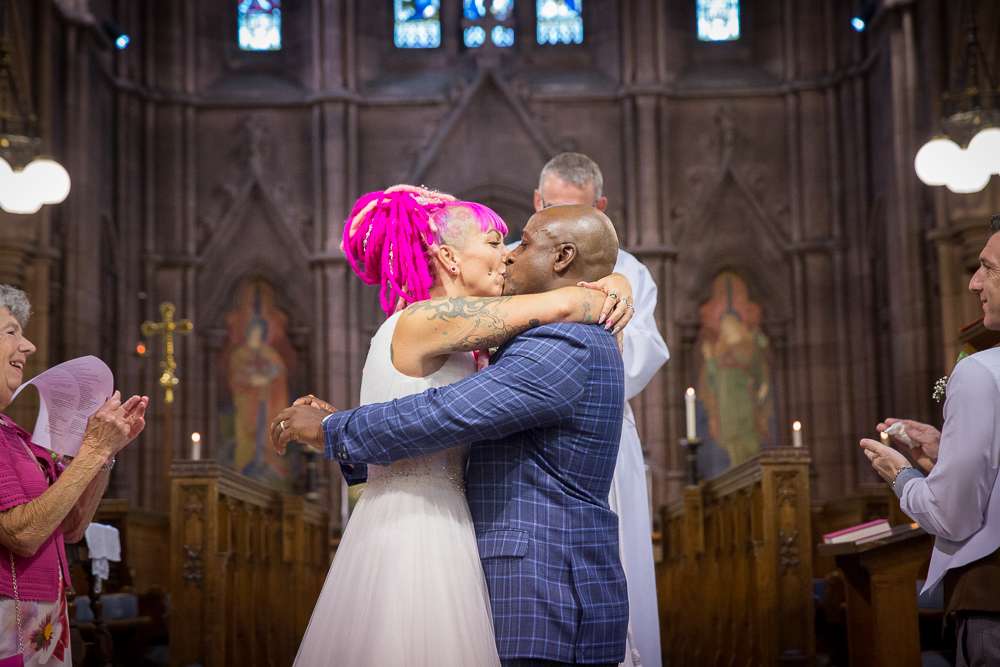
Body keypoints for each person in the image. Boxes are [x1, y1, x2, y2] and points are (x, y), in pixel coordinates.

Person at [275, 187, 634, 666]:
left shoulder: (563, 342)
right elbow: (443, 422)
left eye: (520, 244)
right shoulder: (440, 323)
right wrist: (593, 292)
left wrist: (334, 428)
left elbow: (446, 415)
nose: (509, 255)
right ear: (448, 257)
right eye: (497, 242)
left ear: (563, 257)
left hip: (540, 583)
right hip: (435, 544)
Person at [533, 152, 669, 666]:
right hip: (528, 436)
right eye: (554, 210)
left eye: (581, 213)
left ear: (603, 208)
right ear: (536, 203)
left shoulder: (628, 271)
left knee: (614, 564)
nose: (565, 227)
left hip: (602, 432)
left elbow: (640, 355)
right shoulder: (513, 261)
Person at [860, 214, 1000, 667]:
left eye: (988, 268)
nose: (974, 282)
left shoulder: (980, 373)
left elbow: (950, 515)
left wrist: (899, 475)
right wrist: (946, 453)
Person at [0, 284, 148, 666]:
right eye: (12, 331)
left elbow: (72, 527)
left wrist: (105, 453)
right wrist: (94, 449)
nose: (29, 346)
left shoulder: (14, 435)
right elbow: (22, 534)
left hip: (44, 617)